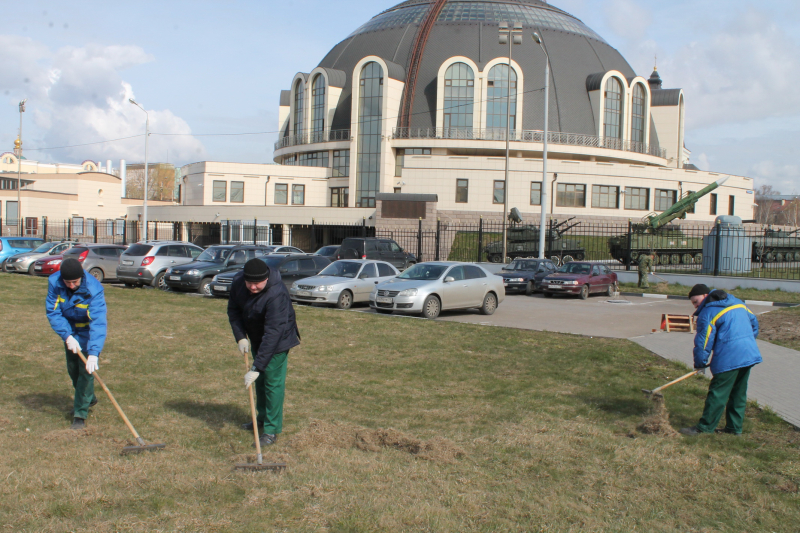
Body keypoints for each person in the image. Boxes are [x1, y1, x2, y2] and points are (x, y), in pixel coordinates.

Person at [227, 258, 300, 447]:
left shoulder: (277, 294)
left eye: (257, 283)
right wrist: (240, 337)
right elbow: (233, 310)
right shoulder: (238, 283)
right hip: (257, 335)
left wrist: (257, 366)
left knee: (272, 383)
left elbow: (274, 332)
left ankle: (271, 430)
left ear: (266, 279)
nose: (252, 287)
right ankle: (260, 419)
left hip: (279, 340)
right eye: (249, 282)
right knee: (259, 380)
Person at [680, 284, 762, 437]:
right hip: (748, 354)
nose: (695, 305)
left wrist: (700, 362)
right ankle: (734, 429)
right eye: (693, 303)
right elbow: (754, 324)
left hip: (729, 356)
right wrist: (746, 342)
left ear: (705, 296)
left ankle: (704, 428)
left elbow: (704, 342)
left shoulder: (708, 312)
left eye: (696, 301)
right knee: (738, 392)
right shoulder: (738, 303)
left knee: (718, 393)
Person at [45, 257, 107, 430]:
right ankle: (89, 398)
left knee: (86, 373)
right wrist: (67, 336)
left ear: (81, 277)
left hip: (88, 333)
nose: (71, 286)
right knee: (73, 370)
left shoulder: (94, 290)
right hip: (70, 332)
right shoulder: (55, 284)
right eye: (67, 282)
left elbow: (98, 322)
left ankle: (80, 414)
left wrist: (94, 353)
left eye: (75, 282)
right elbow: (53, 312)